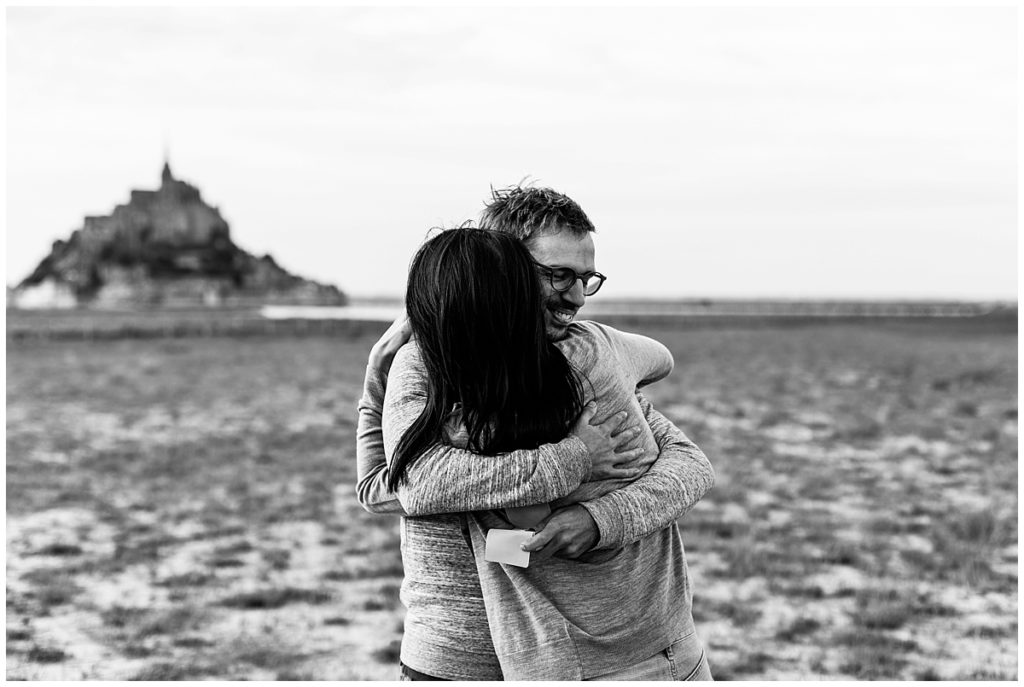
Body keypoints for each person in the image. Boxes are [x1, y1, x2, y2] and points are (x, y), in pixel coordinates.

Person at [355, 186, 715, 680]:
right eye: (559, 275)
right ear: (502, 269)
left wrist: (598, 518)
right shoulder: (423, 365)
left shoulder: (590, 355)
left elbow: (690, 464)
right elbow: (402, 489)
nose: (577, 295)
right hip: (463, 653)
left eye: (587, 278)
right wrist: (573, 460)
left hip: (630, 650)